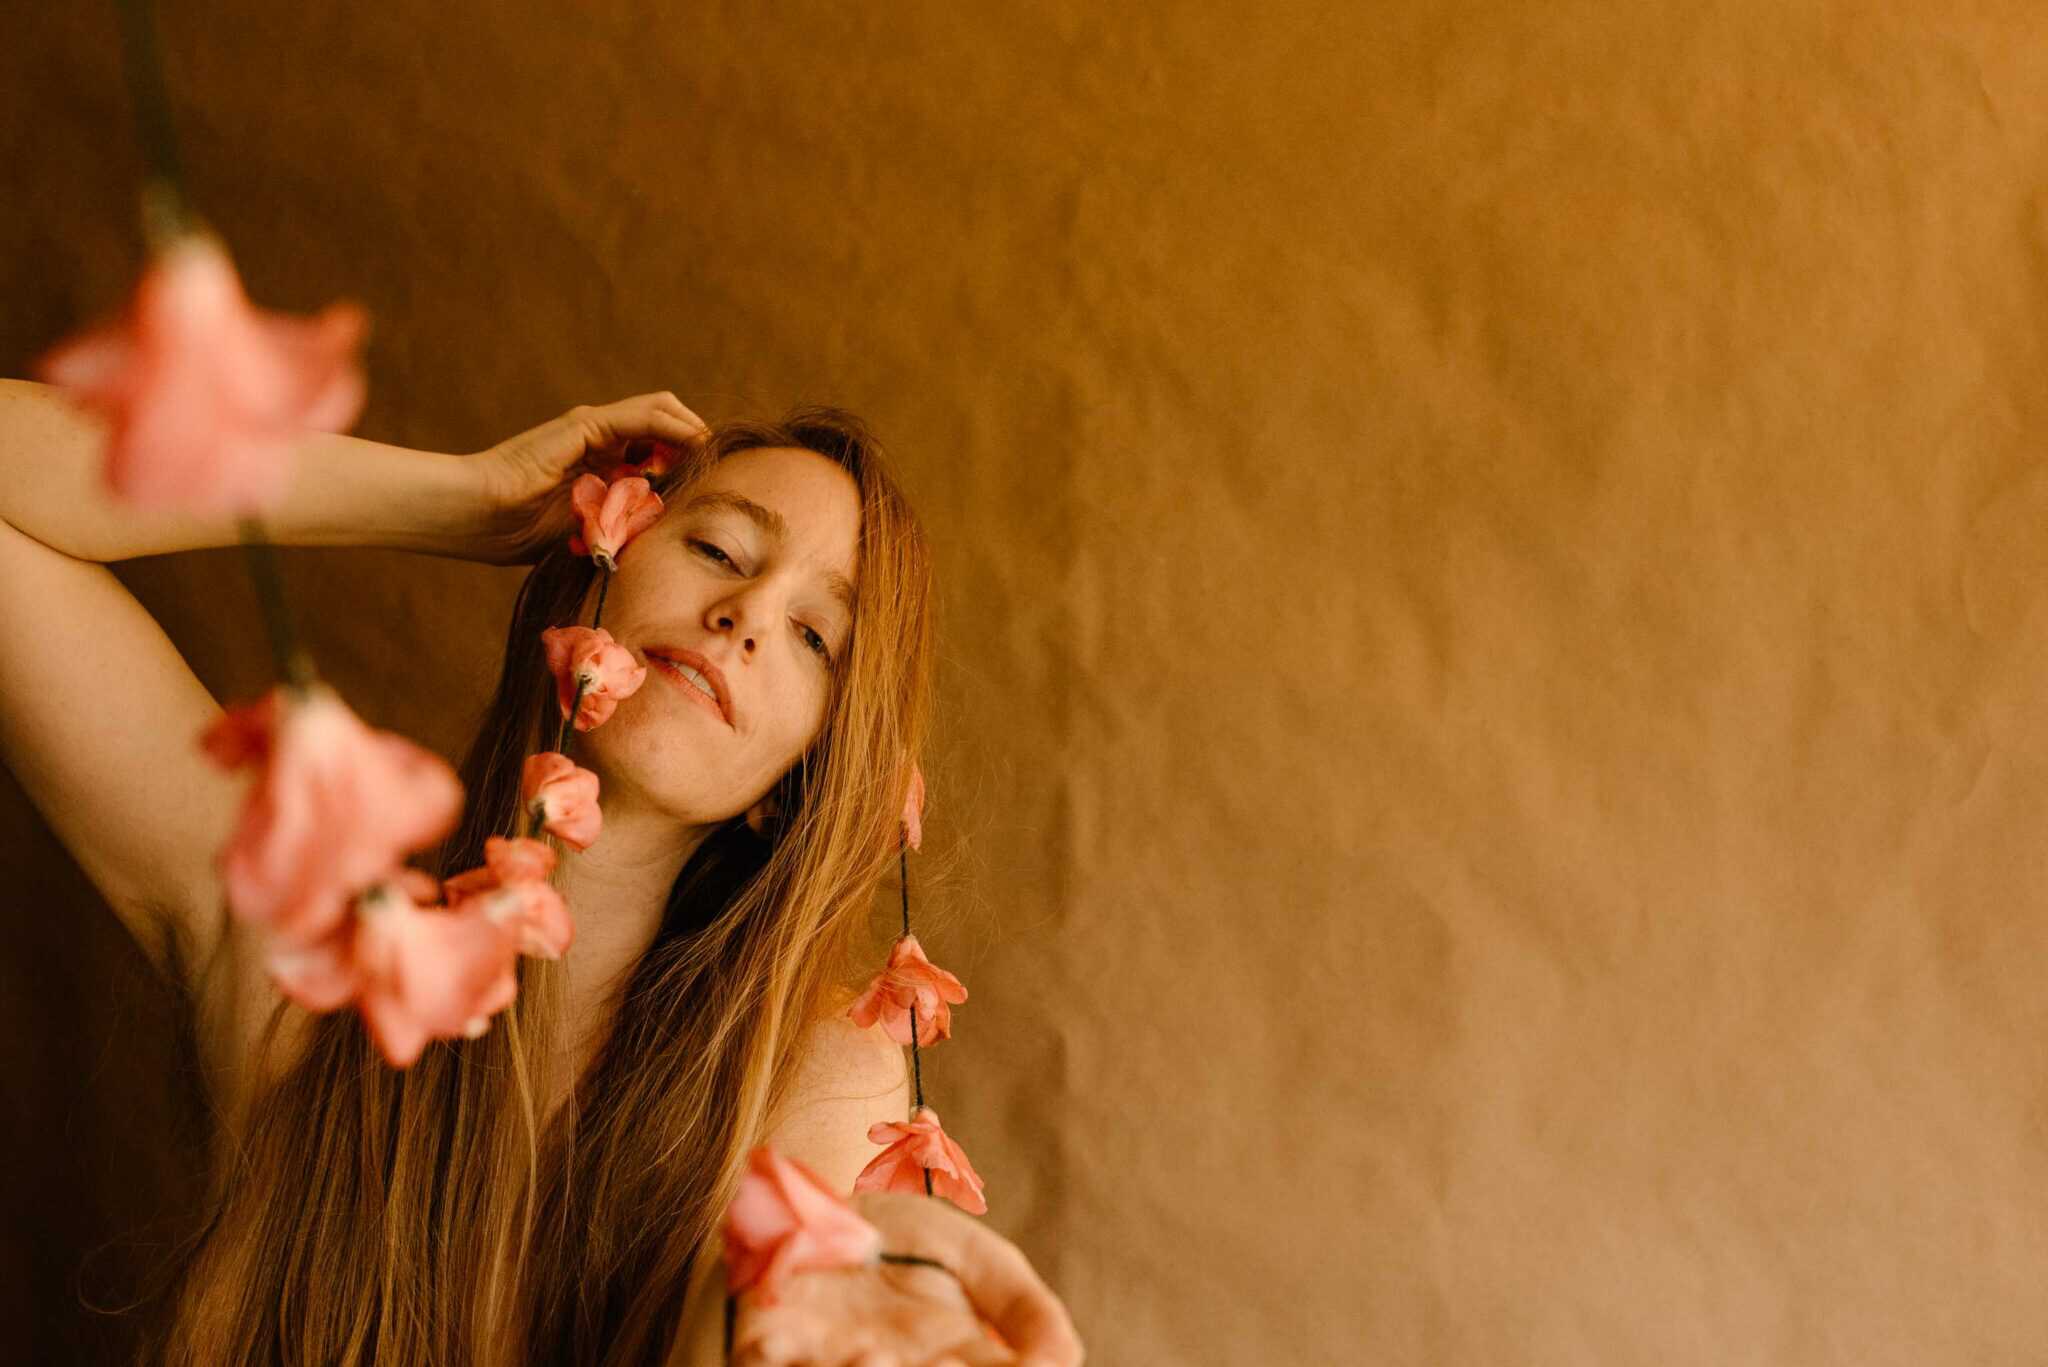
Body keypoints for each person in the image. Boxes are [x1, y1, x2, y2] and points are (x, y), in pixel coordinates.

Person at [0, 381, 1083, 1366]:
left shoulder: (812, 1069)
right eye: (717, 549)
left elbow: (787, 1304)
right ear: (594, 565)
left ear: (793, 777)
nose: (748, 616)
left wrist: (773, 1313)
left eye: (812, 634)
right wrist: (458, 499)